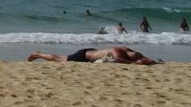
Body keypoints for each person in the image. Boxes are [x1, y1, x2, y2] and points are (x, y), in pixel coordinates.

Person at [27, 46, 159, 64]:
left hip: (92, 52)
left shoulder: (130, 51)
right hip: (84, 55)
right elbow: (118, 59)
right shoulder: (118, 51)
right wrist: (134, 63)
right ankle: (38, 55)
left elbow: (141, 58)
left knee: (60, 57)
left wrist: (152, 61)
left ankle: (39, 54)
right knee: (60, 59)